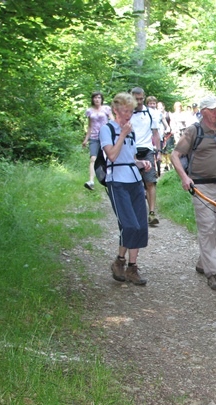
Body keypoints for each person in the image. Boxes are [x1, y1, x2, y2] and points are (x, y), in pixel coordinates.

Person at [170, 95, 216, 290]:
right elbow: (175, 155)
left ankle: (203, 261)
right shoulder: (193, 131)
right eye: (213, 109)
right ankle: (213, 273)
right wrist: (184, 177)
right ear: (203, 110)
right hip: (201, 187)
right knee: (207, 227)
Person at [100, 92, 152, 286]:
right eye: (124, 111)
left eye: (130, 111)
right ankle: (119, 262)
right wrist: (122, 134)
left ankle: (132, 267)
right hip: (117, 182)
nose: (128, 115)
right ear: (115, 109)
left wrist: (141, 163)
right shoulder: (108, 129)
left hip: (134, 180)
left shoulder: (131, 131)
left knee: (140, 225)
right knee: (129, 225)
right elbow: (112, 156)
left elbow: (128, 158)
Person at [130, 87, 162, 226]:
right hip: (131, 150)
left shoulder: (151, 113)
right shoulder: (127, 113)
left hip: (147, 149)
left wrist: (159, 151)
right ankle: (135, 212)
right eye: (136, 99)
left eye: (141, 98)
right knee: (132, 183)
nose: (139, 101)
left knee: (150, 182)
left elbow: (155, 133)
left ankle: (152, 213)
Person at [82, 91, 113, 191]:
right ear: (92, 99)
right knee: (93, 158)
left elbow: (112, 120)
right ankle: (91, 181)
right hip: (94, 138)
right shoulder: (89, 111)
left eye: (99, 97)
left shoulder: (106, 109)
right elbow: (90, 126)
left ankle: (111, 177)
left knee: (109, 157)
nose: (97, 99)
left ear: (101, 99)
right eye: (95, 98)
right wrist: (86, 139)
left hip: (106, 137)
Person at [146, 96, 171, 176]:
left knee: (158, 154)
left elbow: (166, 125)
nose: (152, 105)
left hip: (158, 136)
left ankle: (158, 171)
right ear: (147, 104)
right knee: (150, 155)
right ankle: (152, 171)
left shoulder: (159, 114)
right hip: (148, 138)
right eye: (150, 103)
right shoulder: (145, 113)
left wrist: (167, 129)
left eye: (154, 103)